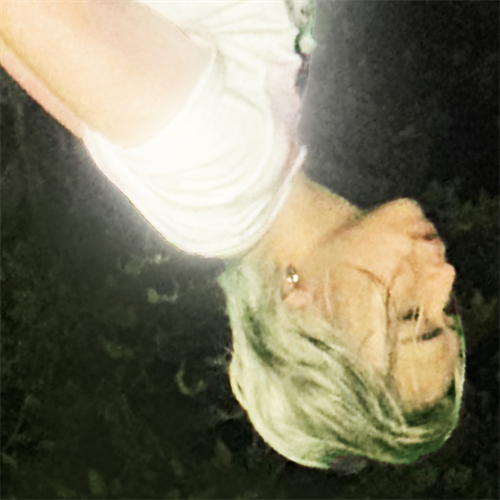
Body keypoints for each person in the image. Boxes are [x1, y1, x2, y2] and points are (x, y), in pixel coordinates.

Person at [0, 0, 465, 468]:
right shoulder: (257, 185)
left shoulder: (229, 166)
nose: (444, 278)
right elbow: (36, 62)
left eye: (408, 314)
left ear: (306, 318)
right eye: (446, 312)